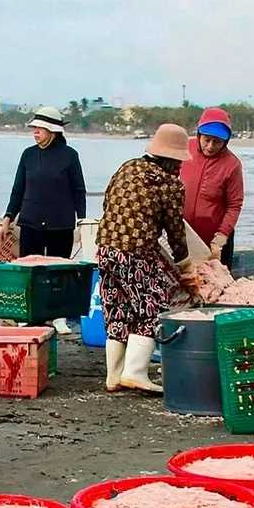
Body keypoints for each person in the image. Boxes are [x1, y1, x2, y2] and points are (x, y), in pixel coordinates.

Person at [95, 123, 197, 394]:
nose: (180, 168)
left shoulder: (127, 167)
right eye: (178, 162)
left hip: (105, 249)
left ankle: (114, 375)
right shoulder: (170, 184)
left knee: (118, 310)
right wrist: (186, 268)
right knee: (152, 308)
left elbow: (107, 203)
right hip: (135, 254)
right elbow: (176, 232)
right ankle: (135, 372)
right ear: (172, 159)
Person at [0, 106, 87, 257]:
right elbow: (18, 190)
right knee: (30, 273)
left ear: (52, 130)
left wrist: (81, 220)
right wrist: (8, 217)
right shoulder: (28, 154)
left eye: (40, 128)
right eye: (34, 128)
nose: (35, 131)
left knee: (58, 274)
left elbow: (78, 190)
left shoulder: (70, 155)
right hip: (30, 224)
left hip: (60, 226)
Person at [181, 107, 245, 269]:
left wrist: (221, 238)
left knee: (216, 285)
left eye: (217, 142)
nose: (210, 146)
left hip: (215, 239)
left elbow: (234, 205)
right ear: (199, 135)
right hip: (183, 234)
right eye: (206, 140)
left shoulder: (232, 165)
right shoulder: (184, 149)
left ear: (226, 141)